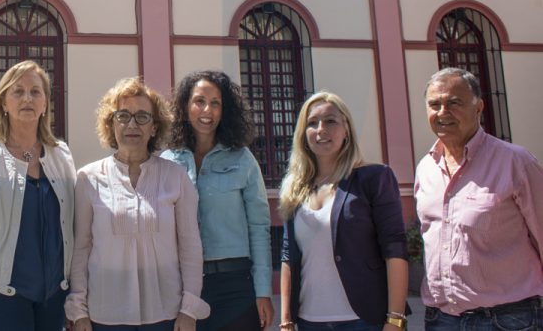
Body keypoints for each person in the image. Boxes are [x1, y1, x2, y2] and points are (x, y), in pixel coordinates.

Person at [66, 76, 210, 331]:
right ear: (111, 124)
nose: (132, 124)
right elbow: (81, 248)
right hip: (104, 316)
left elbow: (190, 246)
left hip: (166, 314)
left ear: (154, 127)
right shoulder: (88, 178)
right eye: (123, 116)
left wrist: (189, 309)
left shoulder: (175, 177)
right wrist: (78, 311)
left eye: (142, 116)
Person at [0, 61, 76, 331]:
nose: (27, 98)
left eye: (35, 91)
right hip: (1, 300)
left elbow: (72, 229)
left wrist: (74, 298)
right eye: (18, 91)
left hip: (54, 299)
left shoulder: (61, 155)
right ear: (4, 103)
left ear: (45, 104)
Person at [416, 68, 543, 330]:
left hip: (508, 319)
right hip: (440, 319)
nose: (442, 112)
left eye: (454, 103)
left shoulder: (515, 162)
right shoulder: (425, 168)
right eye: (434, 104)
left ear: (479, 108)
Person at [277, 91, 408, 331]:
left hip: (364, 321)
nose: (321, 129)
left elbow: (395, 249)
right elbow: (288, 257)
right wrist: (286, 320)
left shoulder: (374, 178)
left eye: (330, 121)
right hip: (309, 322)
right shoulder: (294, 189)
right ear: (303, 135)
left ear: (346, 130)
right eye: (312, 123)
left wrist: (395, 319)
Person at [161, 71, 273, 331]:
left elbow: (259, 228)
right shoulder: (166, 162)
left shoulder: (242, 159)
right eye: (199, 101)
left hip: (235, 285)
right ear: (185, 106)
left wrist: (263, 291)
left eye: (215, 103)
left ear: (225, 110)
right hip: (181, 286)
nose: (207, 110)